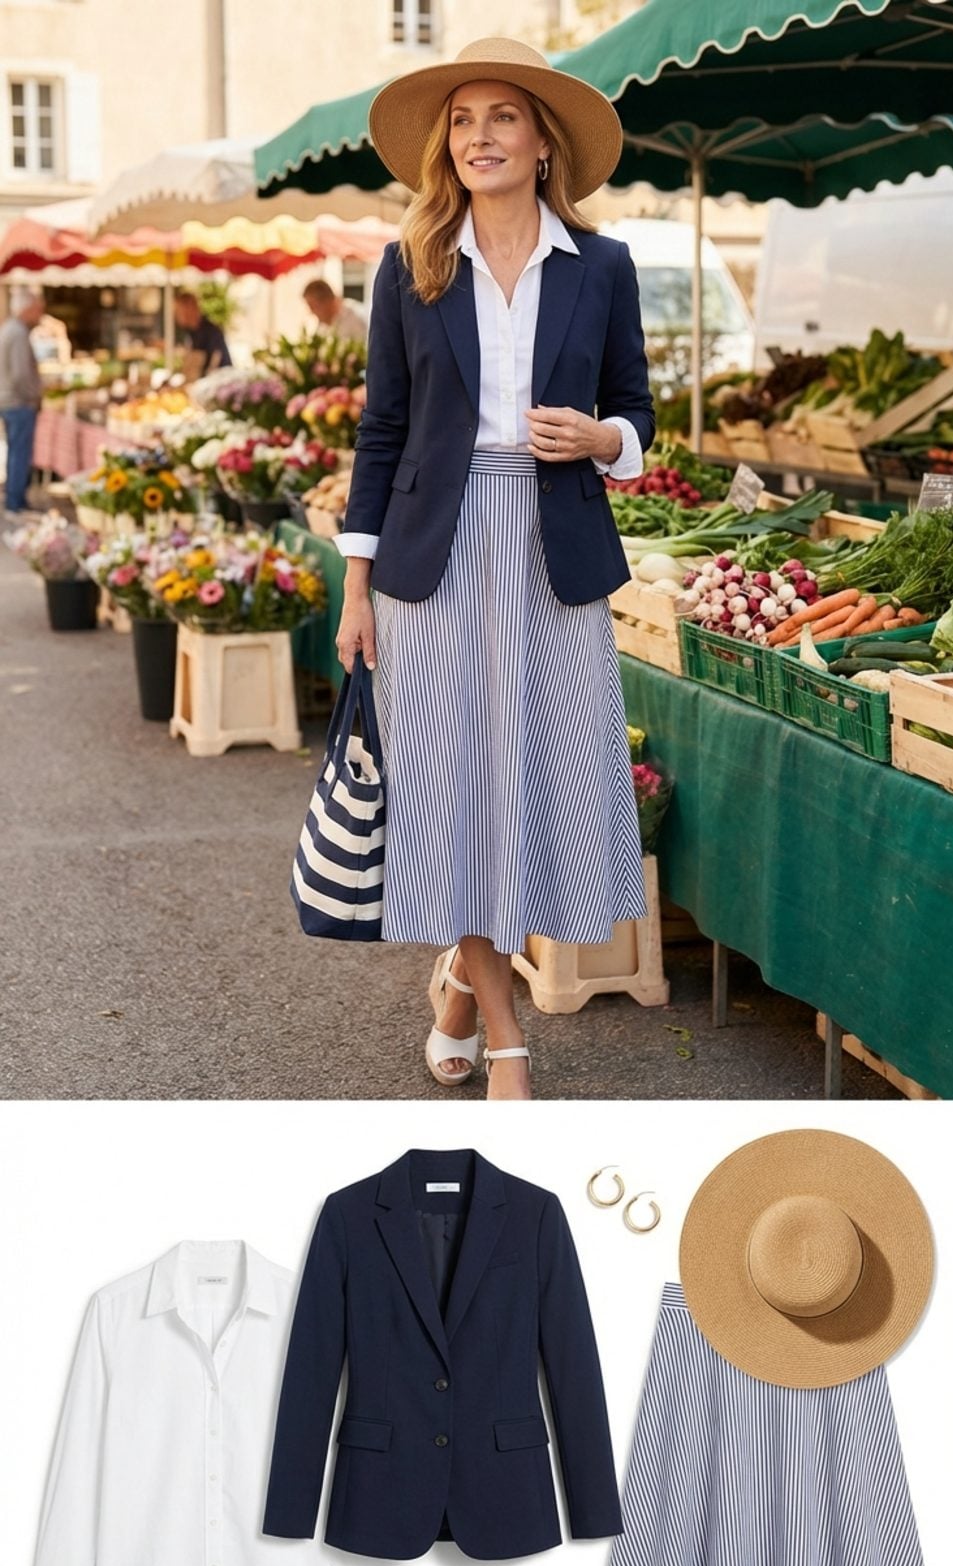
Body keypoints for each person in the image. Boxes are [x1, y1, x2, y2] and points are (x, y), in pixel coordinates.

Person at [334, 38, 654, 1102]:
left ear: (543, 143)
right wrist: (355, 586)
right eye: (462, 119)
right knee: (454, 794)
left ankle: (461, 989)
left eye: (502, 116)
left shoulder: (602, 267)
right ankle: (508, 1040)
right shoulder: (410, 264)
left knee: (535, 787)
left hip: (553, 550)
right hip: (433, 556)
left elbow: (636, 410)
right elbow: (381, 431)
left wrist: (603, 440)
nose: (479, 136)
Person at [0, 290, 44, 517]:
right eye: (38, 309)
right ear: (27, 309)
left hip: (10, 400)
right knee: (20, 452)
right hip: (18, 402)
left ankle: (14, 498)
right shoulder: (17, 332)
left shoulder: (10, 328)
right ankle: (15, 502)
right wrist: (33, 396)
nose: (40, 314)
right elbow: (20, 375)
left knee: (16, 451)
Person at [173, 291, 232, 372]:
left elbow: (216, 359)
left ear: (190, 309)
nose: (176, 315)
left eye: (179, 311)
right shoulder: (190, 332)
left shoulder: (211, 331)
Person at [302, 277, 368, 341]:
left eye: (313, 307)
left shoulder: (355, 317)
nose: (311, 312)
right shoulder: (321, 327)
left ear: (326, 301)